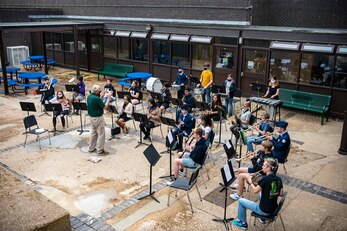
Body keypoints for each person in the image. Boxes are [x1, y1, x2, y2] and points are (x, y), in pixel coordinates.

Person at [232, 158, 283, 230]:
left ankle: (242, 223)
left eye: (264, 165)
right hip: (274, 209)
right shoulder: (278, 179)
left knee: (241, 201)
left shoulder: (265, 179)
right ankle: (261, 219)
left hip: (265, 211)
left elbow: (255, 191)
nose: (262, 167)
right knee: (261, 194)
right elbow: (281, 193)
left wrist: (250, 181)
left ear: (268, 168)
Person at [86, 85, 112, 155]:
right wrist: (108, 98)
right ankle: (100, 150)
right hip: (98, 118)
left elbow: (97, 101)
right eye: (99, 90)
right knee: (101, 134)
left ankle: (91, 148)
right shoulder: (96, 99)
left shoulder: (89, 96)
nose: (100, 91)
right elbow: (105, 107)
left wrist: (102, 96)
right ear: (97, 91)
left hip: (91, 117)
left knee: (93, 133)